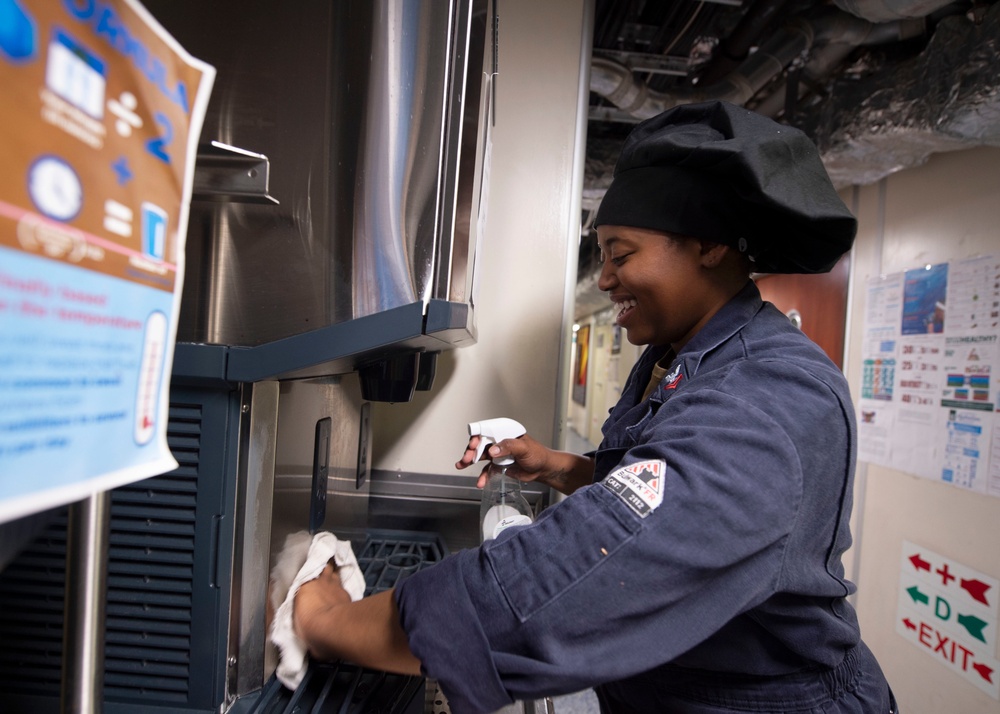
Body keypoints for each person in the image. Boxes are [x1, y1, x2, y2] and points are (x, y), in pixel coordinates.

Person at [290, 100, 897, 714]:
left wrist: (328, 622)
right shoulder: (688, 353)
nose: (604, 279)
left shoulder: (769, 395)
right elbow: (667, 490)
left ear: (709, 245)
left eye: (621, 254)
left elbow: (560, 589)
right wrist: (558, 466)